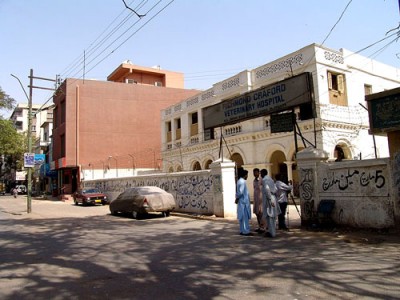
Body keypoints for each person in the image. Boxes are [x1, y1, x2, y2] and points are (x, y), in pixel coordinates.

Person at [260, 169, 280, 238]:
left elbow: (267, 190)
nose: (260, 175)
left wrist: (270, 200)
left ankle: (272, 233)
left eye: (261, 174)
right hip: (273, 197)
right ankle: (271, 232)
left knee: (270, 216)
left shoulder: (265, 180)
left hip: (269, 199)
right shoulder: (271, 179)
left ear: (263, 173)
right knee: (273, 217)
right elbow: (276, 189)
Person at [235, 168, 252, 236]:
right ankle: (246, 231)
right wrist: (237, 197)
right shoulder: (242, 182)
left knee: (242, 217)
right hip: (244, 202)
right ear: (245, 175)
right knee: (245, 217)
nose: (247, 176)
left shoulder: (239, 181)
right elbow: (240, 192)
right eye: (247, 175)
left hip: (242, 202)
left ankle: (242, 230)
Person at [252, 168, 265, 233]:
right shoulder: (254, 180)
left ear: (258, 173)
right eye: (254, 172)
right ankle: (259, 226)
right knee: (257, 213)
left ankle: (262, 227)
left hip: (261, 199)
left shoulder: (261, 180)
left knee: (261, 213)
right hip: (256, 199)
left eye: (256, 172)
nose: (254, 174)